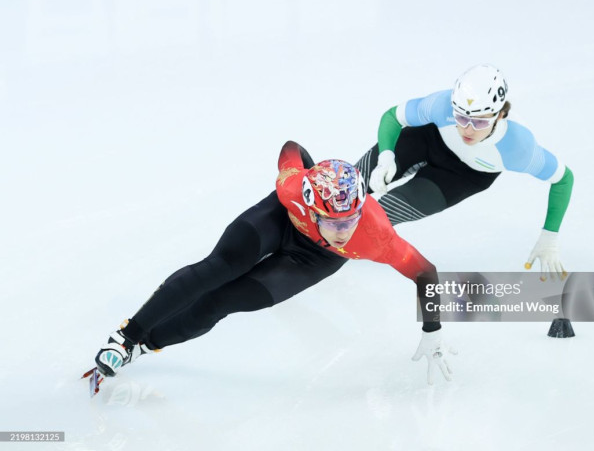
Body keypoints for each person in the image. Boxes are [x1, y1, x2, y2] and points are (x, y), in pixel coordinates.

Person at [94, 141, 455, 385]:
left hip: (315, 258)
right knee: (217, 268)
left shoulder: (375, 235)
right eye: (332, 222)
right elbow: (292, 148)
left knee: (222, 302)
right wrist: (312, 170)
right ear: (312, 205)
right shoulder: (292, 188)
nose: (343, 231)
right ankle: (125, 337)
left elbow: (426, 272)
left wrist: (432, 329)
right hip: (282, 218)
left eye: (349, 220)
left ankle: (144, 346)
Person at [355, 64, 574, 281]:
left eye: (479, 122)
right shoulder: (442, 105)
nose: (467, 130)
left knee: (379, 217)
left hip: (461, 177)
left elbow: (564, 179)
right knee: (349, 184)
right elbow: (393, 116)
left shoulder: (518, 147)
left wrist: (550, 235)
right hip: (428, 139)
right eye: (460, 118)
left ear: (500, 115)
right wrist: (386, 157)